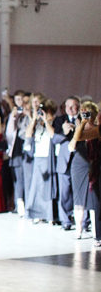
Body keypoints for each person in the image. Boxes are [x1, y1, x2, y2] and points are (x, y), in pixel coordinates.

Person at [68, 101, 100, 244]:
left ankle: (96, 233)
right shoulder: (82, 129)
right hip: (82, 166)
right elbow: (75, 141)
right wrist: (81, 123)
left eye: (89, 113)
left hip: (95, 166)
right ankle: (81, 230)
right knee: (81, 198)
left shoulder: (97, 129)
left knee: (95, 201)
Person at [24, 99, 58, 223]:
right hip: (38, 157)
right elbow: (28, 135)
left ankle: (49, 215)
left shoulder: (55, 121)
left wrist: (45, 120)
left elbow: (53, 134)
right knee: (36, 186)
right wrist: (34, 119)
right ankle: (36, 213)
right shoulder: (38, 123)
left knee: (47, 187)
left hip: (49, 158)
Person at [52, 96, 80, 230]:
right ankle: (66, 221)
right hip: (64, 161)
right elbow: (54, 140)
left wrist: (79, 128)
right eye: (67, 106)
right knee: (64, 193)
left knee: (80, 193)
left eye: (73, 106)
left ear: (78, 107)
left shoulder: (83, 120)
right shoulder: (59, 120)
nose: (70, 109)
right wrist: (64, 131)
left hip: (80, 161)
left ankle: (83, 222)